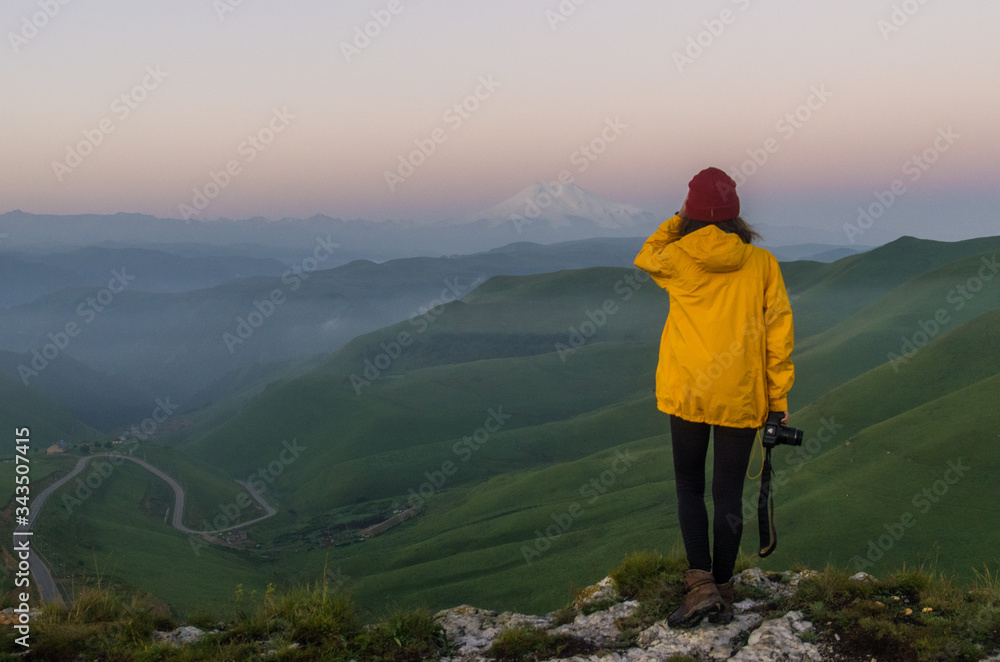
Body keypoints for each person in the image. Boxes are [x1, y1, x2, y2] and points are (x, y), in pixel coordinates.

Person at [633, 167, 794, 628]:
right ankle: (723, 588)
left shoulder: (678, 258)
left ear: (692, 210)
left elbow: (646, 255)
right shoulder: (762, 264)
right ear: (735, 213)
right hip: (740, 395)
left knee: (689, 485)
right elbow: (778, 338)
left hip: (687, 391)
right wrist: (777, 400)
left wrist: (677, 217)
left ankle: (700, 587)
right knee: (727, 494)